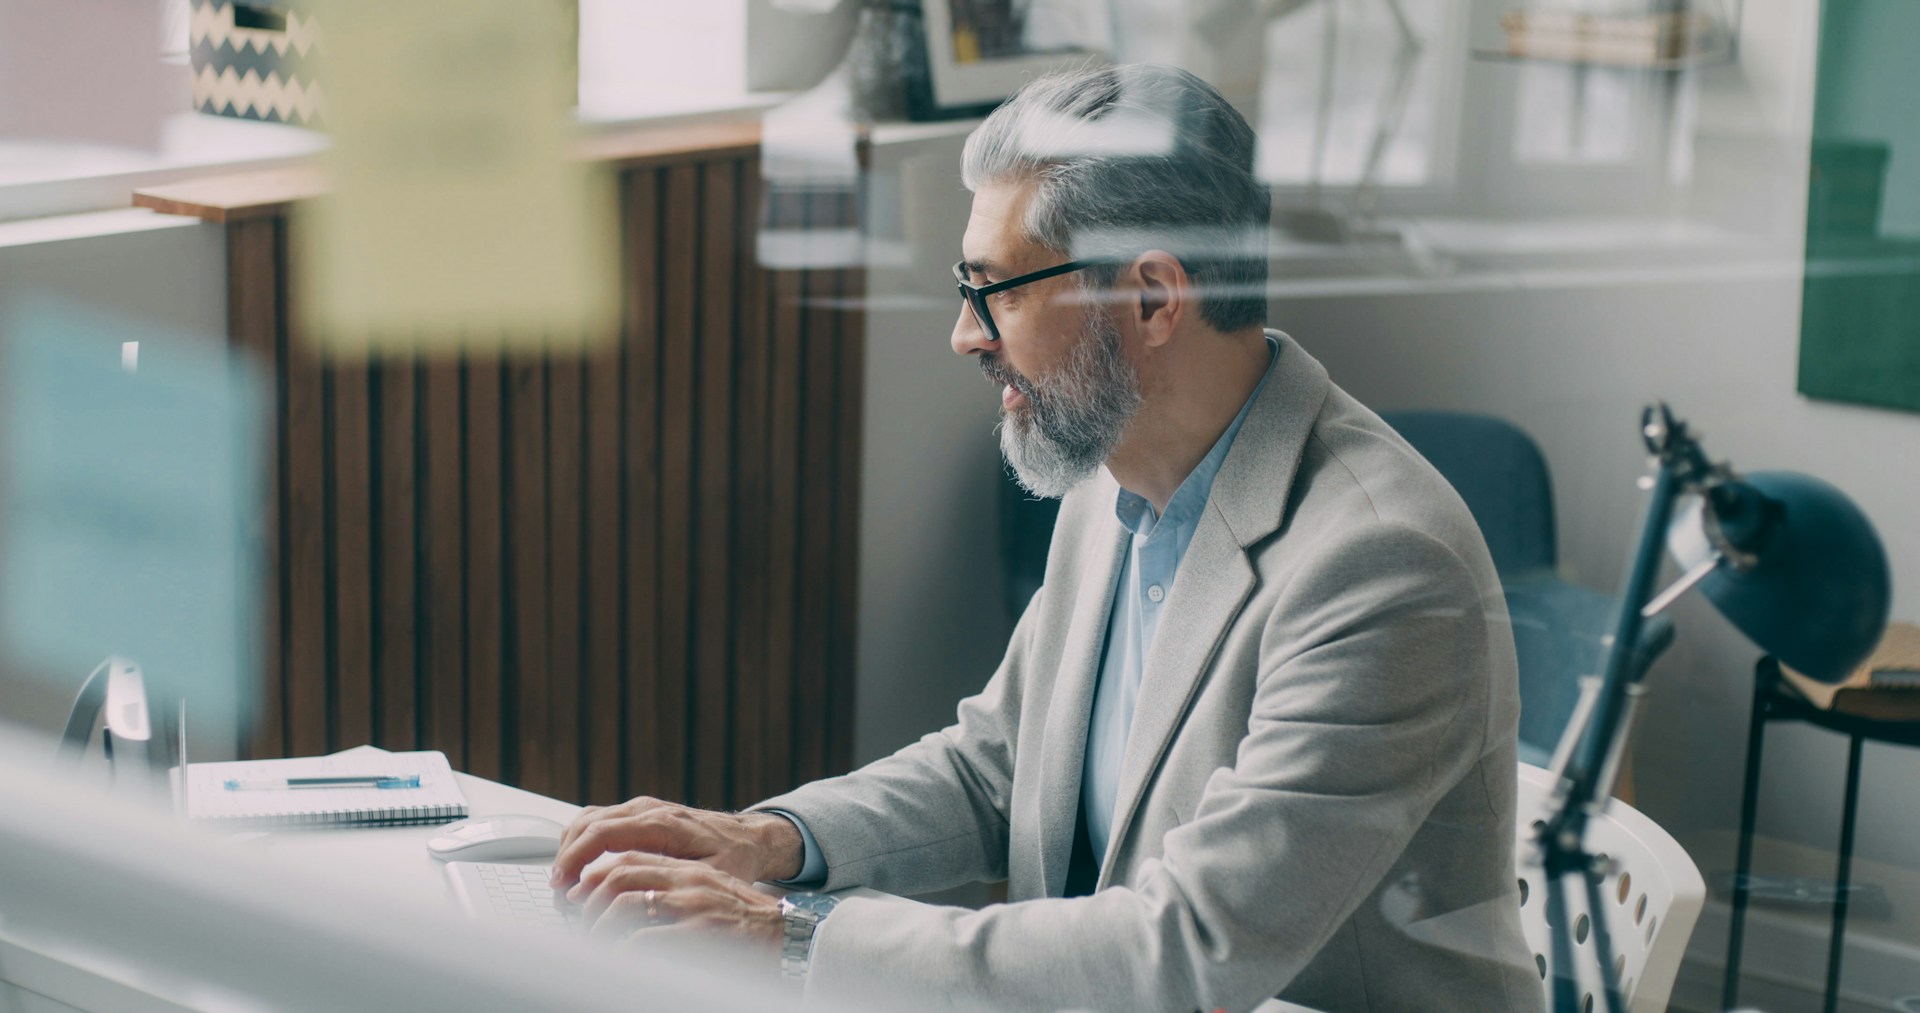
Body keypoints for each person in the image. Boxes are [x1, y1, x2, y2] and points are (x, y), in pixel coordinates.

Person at [549, 63, 1537, 1012]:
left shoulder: (1380, 566)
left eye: (1000, 290)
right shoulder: (1111, 465)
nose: (966, 334)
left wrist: (793, 935)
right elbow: (997, 767)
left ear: (1151, 297)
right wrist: (767, 839)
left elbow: (1192, 943)